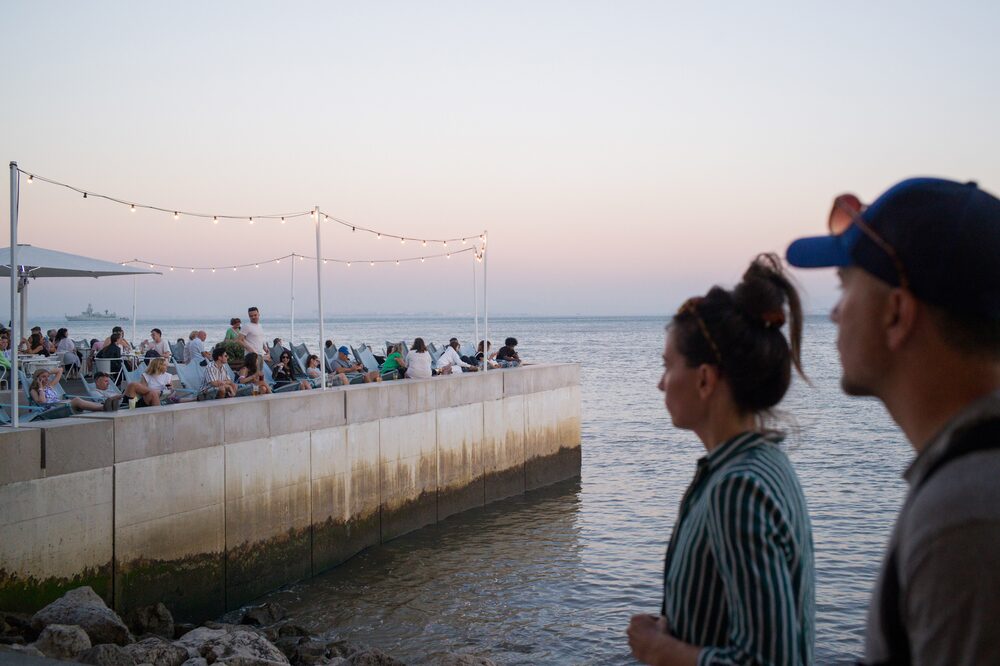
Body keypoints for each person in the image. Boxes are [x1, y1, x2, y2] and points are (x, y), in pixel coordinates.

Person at [786, 177, 1000, 664]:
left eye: (846, 286)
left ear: (897, 313)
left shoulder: (966, 518)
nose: (835, 315)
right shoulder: (966, 479)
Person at [627, 254, 814, 666]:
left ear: (705, 379)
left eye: (667, 365)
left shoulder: (738, 487)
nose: (660, 384)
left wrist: (661, 651)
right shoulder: (766, 464)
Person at [30, 367, 116, 412]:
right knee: (77, 400)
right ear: (37, 378)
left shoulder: (50, 386)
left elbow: (60, 370)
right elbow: (42, 402)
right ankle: (103, 407)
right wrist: (40, 387)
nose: (46, 379)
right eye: (43, 377)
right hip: (51, 408)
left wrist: (45, 372)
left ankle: (104, 407)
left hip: (59, 404)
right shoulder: (34, 390)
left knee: (77, 401)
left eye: (47, 377)